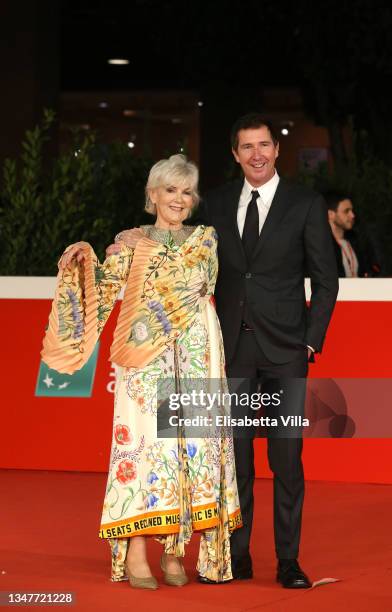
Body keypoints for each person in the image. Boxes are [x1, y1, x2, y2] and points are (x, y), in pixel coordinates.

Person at [111, 113, 339, 589]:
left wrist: (310, 340)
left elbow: (325, 278)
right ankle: (235, 556)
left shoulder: (306, 203)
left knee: (285, 460)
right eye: (246, 147)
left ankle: (288, 560)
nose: (256, 154)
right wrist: (127, 237)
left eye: (264, 145)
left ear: (276, 150)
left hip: (284, 353)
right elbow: (170, 239)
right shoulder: (212, 204)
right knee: (231, 461)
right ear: (235, 155)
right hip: (229, 352)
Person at [41, 154, 242, 590]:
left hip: (197, 351)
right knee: (147, 450)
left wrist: (140, 247)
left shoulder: (204, 239)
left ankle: (175, 552)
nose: (179, 199)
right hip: (144, 357)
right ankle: (136, 552)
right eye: (170, 190)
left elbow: (199, 283)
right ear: (153, 195)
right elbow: (105, 288)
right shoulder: (130, 243)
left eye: (186, 192)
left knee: (193, 451)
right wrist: (85, 261)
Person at [325, 191, 381, 277]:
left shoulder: (357, 242)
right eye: (346, 211)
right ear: (330, 214)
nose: (352, 215)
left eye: (352, 210)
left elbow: (374, 268)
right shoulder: (321, 246)